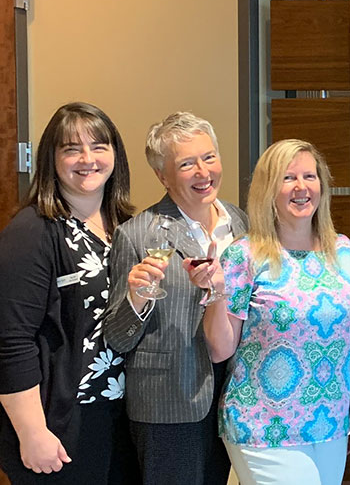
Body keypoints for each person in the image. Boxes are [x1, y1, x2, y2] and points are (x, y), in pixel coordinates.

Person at [198, 139, 350, 485]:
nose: (302, 187)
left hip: (329, 422)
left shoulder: (343, 250)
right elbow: (220, 348)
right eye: (288, 178)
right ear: (268, 190)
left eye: (310, 176)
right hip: (263, 425)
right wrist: (216, 291)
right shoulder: (245, 255)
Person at [103, 112, 247, 485]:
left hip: (236, 396)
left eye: (209, 157)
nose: (203, 171)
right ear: (163, 176)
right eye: (187, 164)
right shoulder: (136, 235)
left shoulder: (243, 223)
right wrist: (136, 298)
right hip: (168, 403)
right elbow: (117, 339)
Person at [0, 103, 139, 484]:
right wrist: (32, 432)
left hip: (123, 418)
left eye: (99, 146)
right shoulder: (33, 231)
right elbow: (11, 340)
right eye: (71, 149)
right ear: (51, 159)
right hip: (62, 424)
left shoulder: (127, 226)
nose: (87, 159)